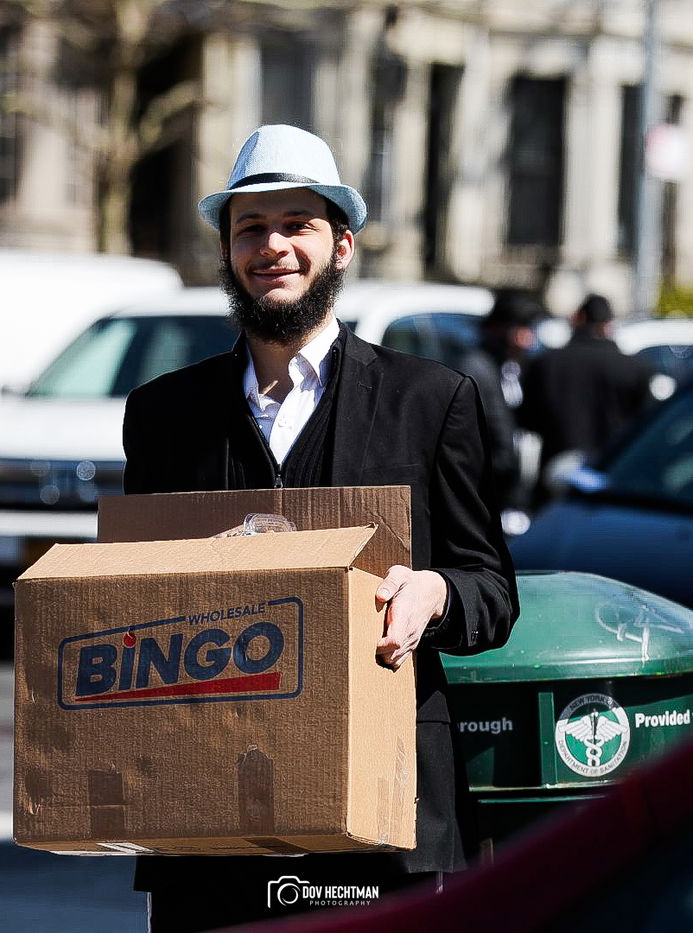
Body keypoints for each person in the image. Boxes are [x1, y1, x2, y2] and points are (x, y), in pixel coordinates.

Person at [122, 124, 519, 932]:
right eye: (249, 228)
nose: (272, 246)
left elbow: (493, 590)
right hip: (208, 810)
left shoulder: (430, 401)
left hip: (376, 811)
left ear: (341, 245)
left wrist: (434, 592)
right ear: (227, 249)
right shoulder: (163, 415)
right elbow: (131, 605)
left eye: (296, 224)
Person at [518, 293, 654, 504]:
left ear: (578, 318)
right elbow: (645, 426)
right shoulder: (635, 368)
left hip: (554, 477)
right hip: (610, 477)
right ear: (609, 324)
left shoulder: (545, 363)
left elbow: (527, 419)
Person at [454, 288, 545, 511]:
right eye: (521, 329)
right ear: (499, 327)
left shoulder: (513, 366)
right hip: (487, 490)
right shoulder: (476, 368)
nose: (527, 340)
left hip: (508, 489)